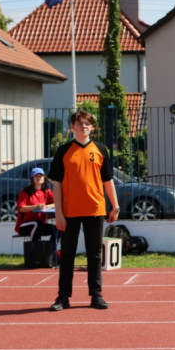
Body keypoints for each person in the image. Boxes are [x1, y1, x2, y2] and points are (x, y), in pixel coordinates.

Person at [48, 110, 120, 312]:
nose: (83, 127)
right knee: (68, 255)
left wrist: (115, 206)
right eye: (79, 123)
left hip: (95, 209)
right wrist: (59, 213)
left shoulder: (100, 149)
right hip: (69, 212)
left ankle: (96, 296)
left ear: (93, 127)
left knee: (95, 255)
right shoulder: (63, 151)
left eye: (87, 123)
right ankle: (63, 297)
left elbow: (108, 180)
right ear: (72, 127)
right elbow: (57, 184)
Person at [15, 168, 56, 242]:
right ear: (32, 178)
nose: (39, 178)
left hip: (40, 223)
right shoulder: (26, 191)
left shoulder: (47, 191)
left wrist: (46, 206)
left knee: (57, 229)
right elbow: (20, 207)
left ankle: (50, 251)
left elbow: (56, 203)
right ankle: (34, 250)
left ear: (44, 178)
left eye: (41, 176)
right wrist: (36, 207)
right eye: (36, 176)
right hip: (24, 225)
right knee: (36, 224)